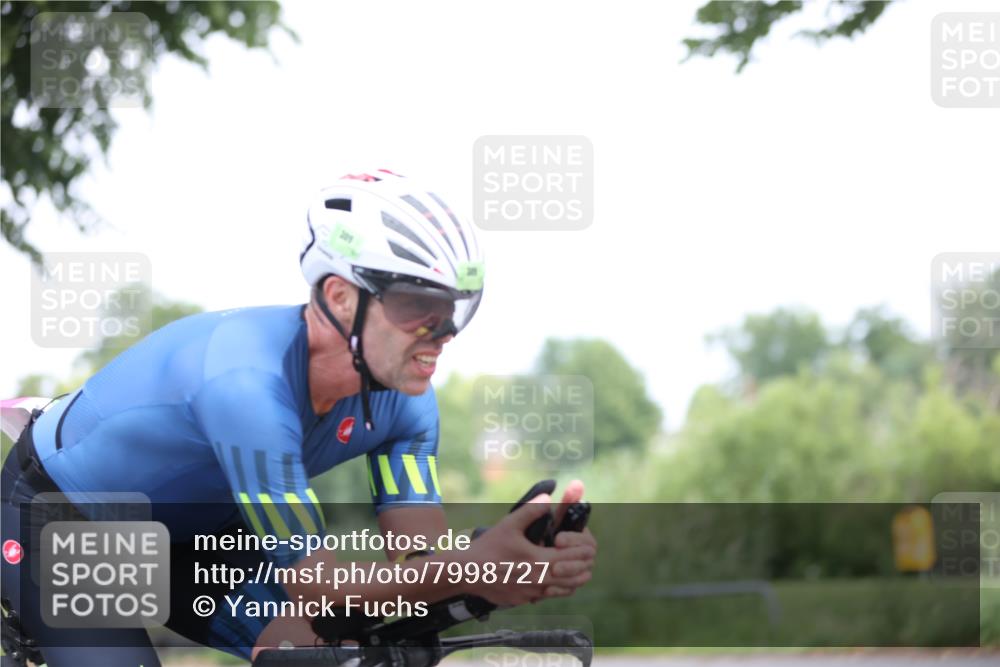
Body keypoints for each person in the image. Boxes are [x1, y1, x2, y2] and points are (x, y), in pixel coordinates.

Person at [0, 170, 597, 666]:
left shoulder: (406, 395)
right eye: (419, 307)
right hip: (67, 523)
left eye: (453, 311)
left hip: (202, 532)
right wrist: (475, 566)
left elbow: (416, 564)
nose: (440, 335)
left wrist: (496, 576)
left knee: (337, 651)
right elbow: (319, 585)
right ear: (340, 297)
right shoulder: (248, 387)